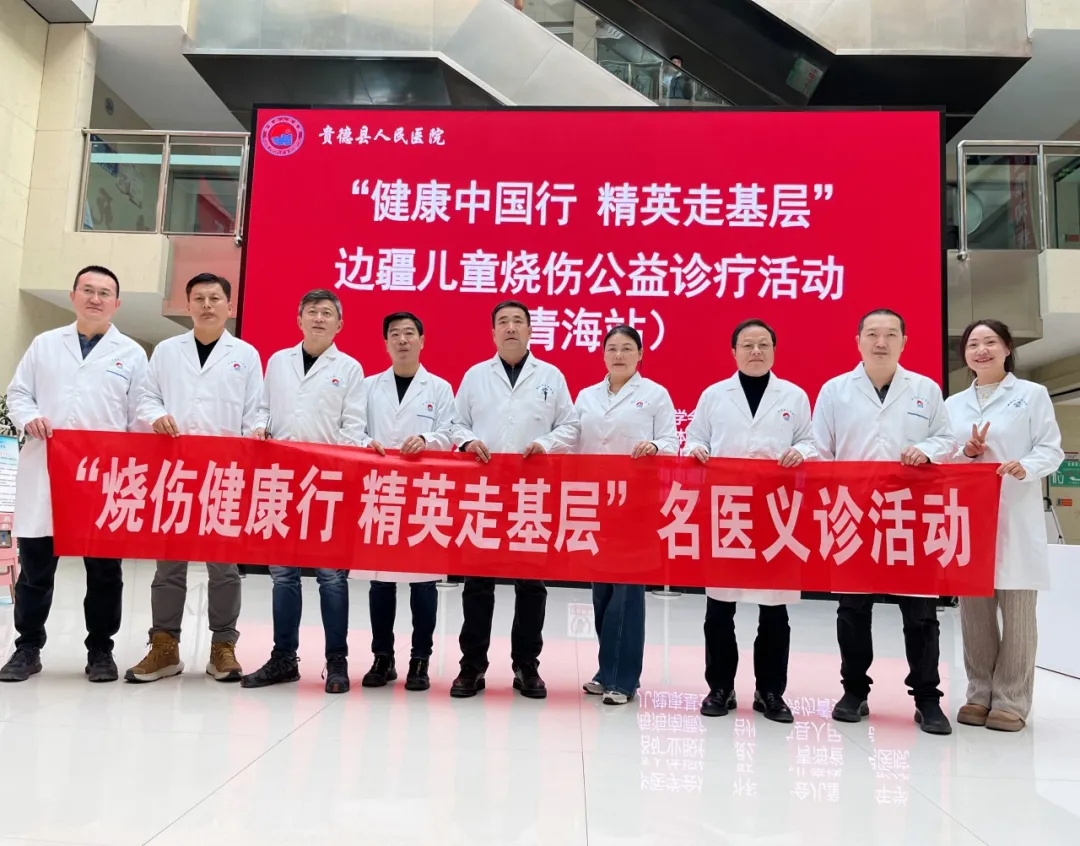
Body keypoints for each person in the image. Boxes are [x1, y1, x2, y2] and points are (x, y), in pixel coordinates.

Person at [813, 308, 958, 735]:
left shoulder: (925, 389)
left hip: (910, 514)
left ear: (904, 342)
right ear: (857, 341)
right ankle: (854, 691)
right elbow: (821, 449)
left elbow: (947, 439)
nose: (881, 342)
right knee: (852, 609)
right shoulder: (835, 391)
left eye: (891, 334)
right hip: (853, 513)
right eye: (872, 334)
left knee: (921, 612)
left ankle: (928, 699)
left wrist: (927, 450)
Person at [0, 266, 147, 683]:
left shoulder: (131, 353)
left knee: (104, 572)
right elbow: (18, 393)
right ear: (73, 295)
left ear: (117, 303)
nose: (95, 298)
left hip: (103, 480)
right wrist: (29, 417)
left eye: (104, 293)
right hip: (47, 472)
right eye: (88, 290)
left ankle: (100, 650)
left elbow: (139, 413)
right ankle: (27, 648)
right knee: (36, 570)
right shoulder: (45, 344)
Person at [125, 273, 263, 684]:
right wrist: (155, 415)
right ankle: (164, 646)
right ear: (187, 306)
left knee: (223, 567)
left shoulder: (245, 355)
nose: (206, 305)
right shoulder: (168, 351)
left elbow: (256, 409)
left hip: (224, 474)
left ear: (229, 307)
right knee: (169, 565)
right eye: (199, 298)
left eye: (215, 298)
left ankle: (223, 647)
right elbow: (146, 397)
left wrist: (257, 431)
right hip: (175, 472)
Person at [684, 319, 815, 723]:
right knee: (719, 608)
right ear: (734, 352)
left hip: (777, 512)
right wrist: (697, 450)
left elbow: (810, 442)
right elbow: (695, 437)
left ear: (774, 350)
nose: (755, 351)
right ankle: (720, 688)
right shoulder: (714, 395)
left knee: (774, 610)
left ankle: (770, 691)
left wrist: (802, 452)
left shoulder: (793, 395)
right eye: (747, 345)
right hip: (728, 510)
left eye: (763, 344)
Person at [449, 300, 580, 698]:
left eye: (517, 321)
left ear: (529, 330)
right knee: (477, 582)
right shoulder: (475, 375)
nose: (510, 328)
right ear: (493, 332)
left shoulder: (551, 376)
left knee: (531, 583)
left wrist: (545, 443)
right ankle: (472, 666)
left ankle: (526, 665)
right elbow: (456, 423)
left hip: (531, 492)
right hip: (484, 492)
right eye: (503, 322)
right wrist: (468, 441)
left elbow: (571, 426)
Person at [240, 289, 366, 694]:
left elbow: (353, 428)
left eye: (327, 313)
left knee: (332, 577)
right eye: (311, 312)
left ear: (339, 324)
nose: (318, 318)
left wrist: (331, 466)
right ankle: (283, 658)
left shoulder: (349, 369)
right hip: (281, 482)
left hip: (328, 485)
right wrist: (259, 428)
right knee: (283, 575)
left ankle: (337, 661)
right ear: (299, 320)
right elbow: (263, 409)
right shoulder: (279, 361)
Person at [946, 320, 1064, 732]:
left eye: (990, 342)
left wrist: (1025, 465)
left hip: (1015, 514)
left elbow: (1050, 449)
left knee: (1017, 614)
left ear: (1007, 348)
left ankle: (1012, 699)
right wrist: (967, 452)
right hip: (970, 519)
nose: (981, 350)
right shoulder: (953, 404)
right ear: (965, 354)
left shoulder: (1032, 395)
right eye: (973, 344)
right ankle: (979, 693)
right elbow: (944, 456)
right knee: (974, 614)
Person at [575, 325, 678, 705]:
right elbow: (574, 440)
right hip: (595, 502)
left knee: (627, 592)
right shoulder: (586, 396)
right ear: (603, 354)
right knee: (601, 591)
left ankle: (624, 679)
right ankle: (607, 671)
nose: (619, 355)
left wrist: (654, 446)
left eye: (627, 348)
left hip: (636, 503)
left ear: (640, 354)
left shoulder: (655, 395)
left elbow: (671, 442)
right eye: (612, 349)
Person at [354, 311, 455, 693]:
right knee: (380, 581)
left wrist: (427, 441)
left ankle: (420, 659)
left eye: (409, 333)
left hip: (425, 492)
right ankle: (382, 657)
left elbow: (450, 431)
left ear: (422, 340)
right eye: (394, 334)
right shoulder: (368, 386)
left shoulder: (440, 388)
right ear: (385, 343)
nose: (402, 340)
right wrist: (366, 442)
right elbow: (354, 429)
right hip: (379, 490)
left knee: (423, 582)